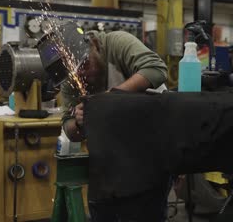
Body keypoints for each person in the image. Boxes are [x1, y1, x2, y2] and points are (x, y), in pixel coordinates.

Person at [54, 24, 170, 221]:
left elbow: (156, 69)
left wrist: (107, 100)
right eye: (76, 73)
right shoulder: (70, 75)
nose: (83, 75)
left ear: (95, 45)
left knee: (145, 211)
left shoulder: (117, 42)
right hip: (109, 157)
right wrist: (79, 122)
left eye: (86, 65)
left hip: (152, 145)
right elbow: (68, 127)